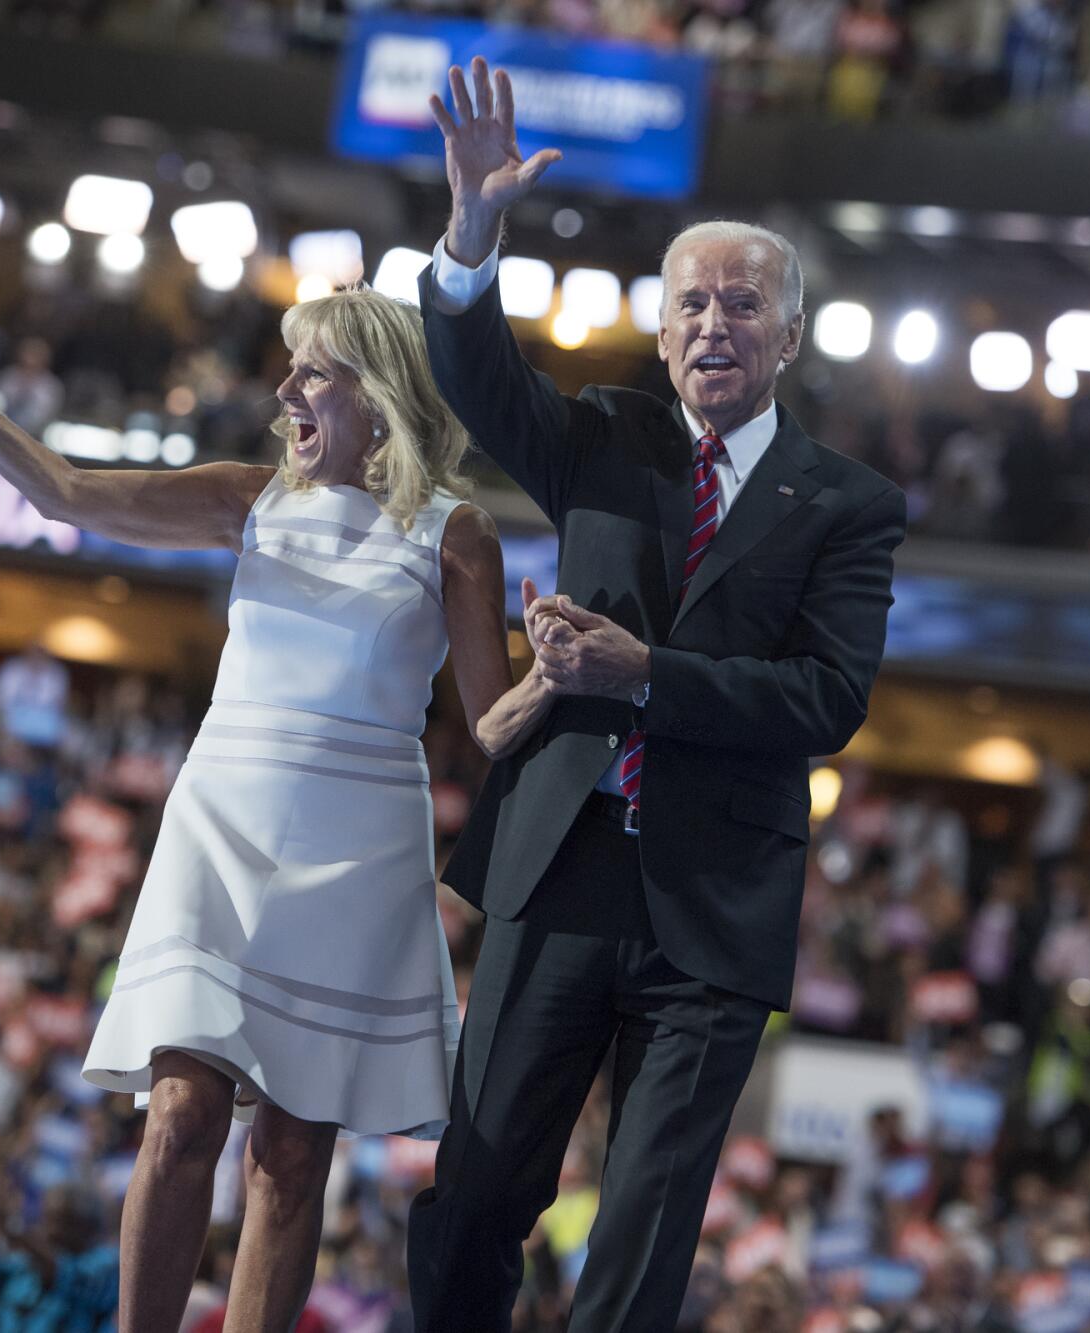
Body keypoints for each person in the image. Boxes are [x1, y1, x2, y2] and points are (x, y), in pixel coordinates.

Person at [0, 242, 553, 1333]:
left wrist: (556, 679)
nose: (285, 391)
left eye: (313, 372)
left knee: (291, 1156)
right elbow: (63, 494)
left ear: (378, 393)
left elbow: (491, 727)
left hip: (359, 849)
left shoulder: (454, 535)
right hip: (224, 822)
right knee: (181, 1115)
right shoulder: (247, 500)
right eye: (289, 371)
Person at [405, 58, 906, 1329]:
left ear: (786, 337)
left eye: (743, 303)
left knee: (634, 1247)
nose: (711, 322)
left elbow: (824, 700)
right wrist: (471, 232)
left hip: (710, 910)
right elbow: (474, 379)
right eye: (691, 299)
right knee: (468, 1200)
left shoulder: (844, 506)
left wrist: (646, 675)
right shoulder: (601, 437)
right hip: (557, 869)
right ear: (663, 319)